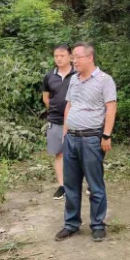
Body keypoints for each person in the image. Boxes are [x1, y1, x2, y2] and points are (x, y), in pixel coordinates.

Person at [55, 42, 117, 242]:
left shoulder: (104, 80)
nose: (74, 61)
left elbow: (111, 108)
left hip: (91, 139)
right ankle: (71, 224)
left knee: (95, 184)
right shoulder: (74, 79)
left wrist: (106, 135)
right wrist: (65, 133)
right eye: (73, 57)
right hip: (71, 138)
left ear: (90, 57)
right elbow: (69, 106)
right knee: (71, 184)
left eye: (78, 57)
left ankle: (97, 224)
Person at [42, 44, 76, 200]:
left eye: (62, 55)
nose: (59, 58)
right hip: (56, 120)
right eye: (56, 56)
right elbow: (46, 98)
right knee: (59, 153)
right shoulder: (49, 76)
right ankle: (62, 186)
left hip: (76, 121)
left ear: (70, 57)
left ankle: (86, 183)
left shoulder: (77, 74)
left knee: (80, 153)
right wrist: (55, 109)